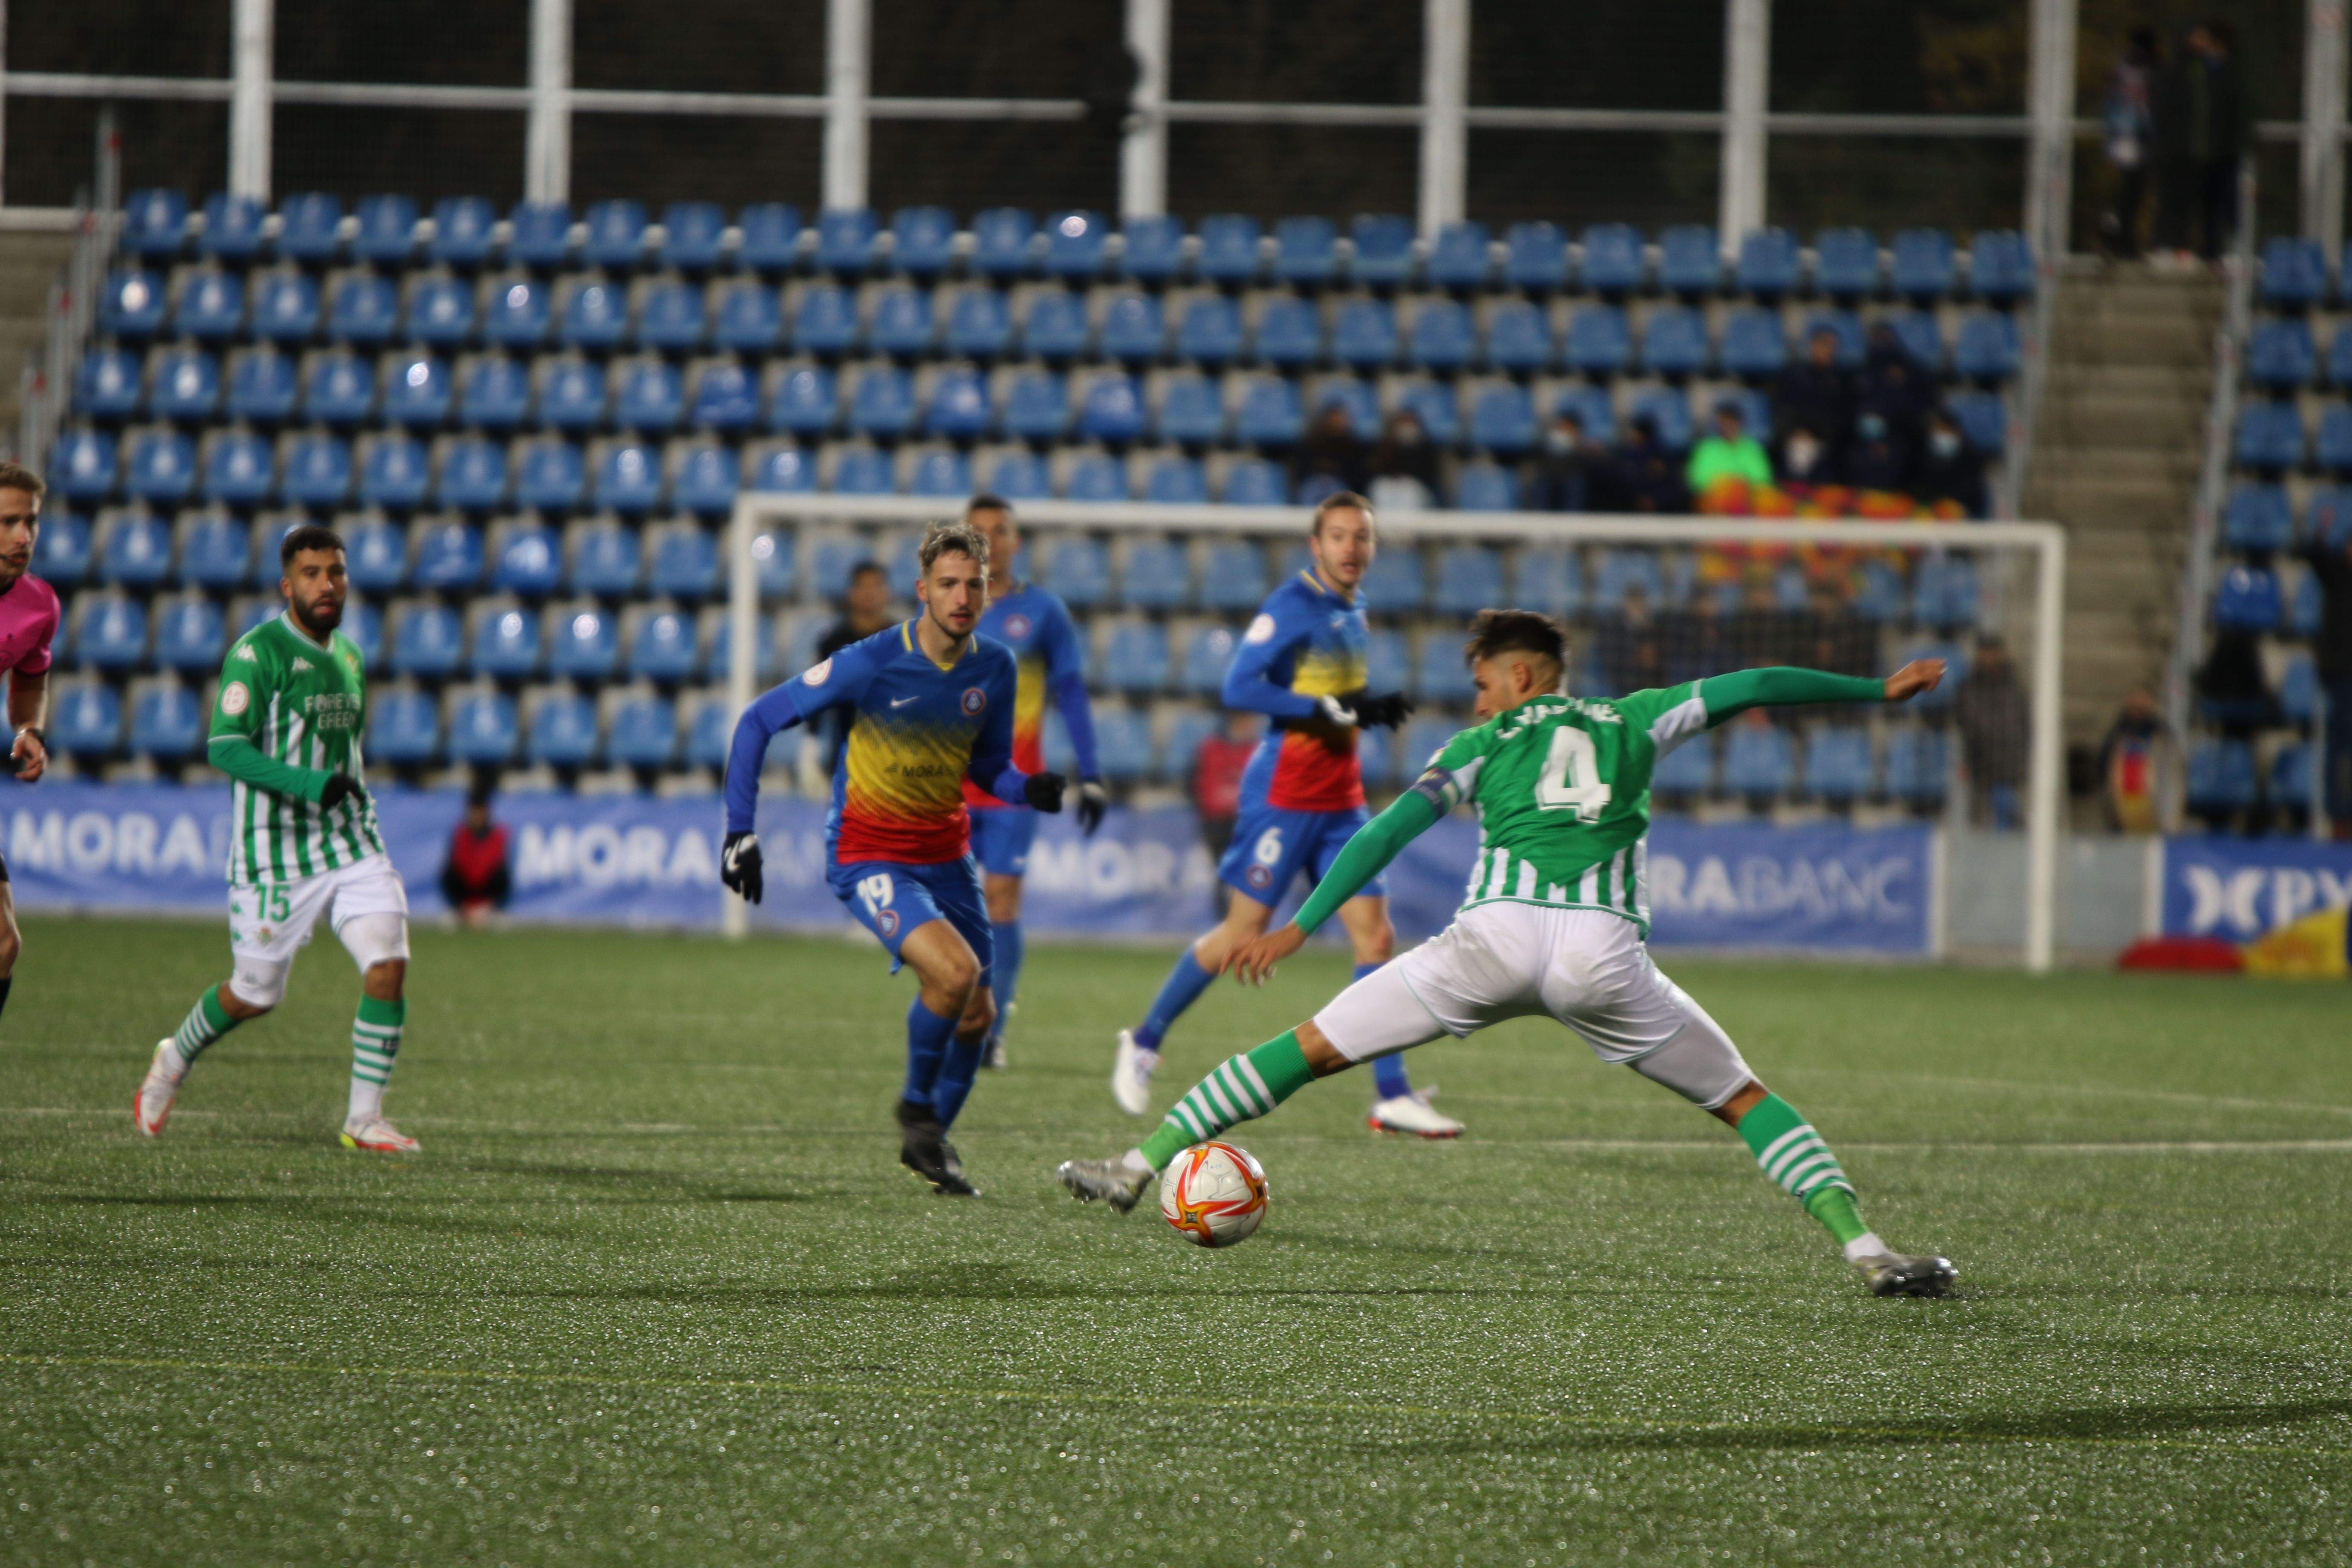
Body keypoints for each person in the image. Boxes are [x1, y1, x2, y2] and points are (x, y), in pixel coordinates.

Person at [1059, 611, 1958, 1299]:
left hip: (1489, 943)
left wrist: (1302, 924)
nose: (1479, 699)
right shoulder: (1638, 717)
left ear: (1522, 677)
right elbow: (1757, 681)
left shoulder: (1482, 743)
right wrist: (1876, 691)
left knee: (1308, 1050)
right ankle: (1869, 1252)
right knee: (1743, 1098)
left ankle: (1135, 1169)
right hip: (1600, 955)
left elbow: (1387, 831)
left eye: (1486, 682)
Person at [719, 520, 1066, 1195]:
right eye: (948, 584)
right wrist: (740, 831)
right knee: (955, 973)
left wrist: (1028, 788)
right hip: (868, 852)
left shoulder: (995, 667)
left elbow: (989, 765)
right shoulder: (872, 660)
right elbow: (758, 720)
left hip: (946, 853)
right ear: (922, 591)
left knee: (978, 1013)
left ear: (988, 590)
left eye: (974, 584)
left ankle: (931, 1144)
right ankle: (915, 1108)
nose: (962, 596)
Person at [1110, 493, 1456, 1136]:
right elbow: (1239, 688)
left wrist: (1357, 709)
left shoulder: (1356, 608)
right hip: (1283, 798)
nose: (1352, 548)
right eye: (1339, 536)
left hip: (1341, 799)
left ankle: (1391, 1094)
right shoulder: (1291, 606)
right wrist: (1328, 710)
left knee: (1375, 936)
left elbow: (1329, 696)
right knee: (1242, 936)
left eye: (1362, 538)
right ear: (1315, 545)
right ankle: (1145, 1038)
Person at [135, 524, 418, 1152]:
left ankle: (363, 1119)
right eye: (313, 574)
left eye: (336, 572)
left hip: (350, 843)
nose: (327, 584)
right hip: (273, 854)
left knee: (388, 963)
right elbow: (225, 747)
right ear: (287, 585)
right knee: (253, 995)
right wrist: (308, 783)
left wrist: (345, 795)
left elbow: (346, 751)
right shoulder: (256, 653)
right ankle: (173, 1059)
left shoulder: (348, 655)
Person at [963, 495, 1106, 1070]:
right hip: (943, 780)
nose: (990, 541)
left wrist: (1091, 775)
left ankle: (991, 1023)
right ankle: (956, 1008)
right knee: (945, 905)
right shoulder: (946, 605)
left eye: (1000, 531)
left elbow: (1070, 693)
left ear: (1016, 542)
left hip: (1011, 784)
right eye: (978, 532)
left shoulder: (1043, 612)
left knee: (1001, 900)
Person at [0, 462, 56, 1025]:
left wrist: (28, 728)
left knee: (4, 945)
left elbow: (31, 676)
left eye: (31, 522)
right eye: (8, 522)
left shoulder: (39, 604)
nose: (24, 536)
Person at [2155, 20, 2250, 263]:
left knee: (2213, 203)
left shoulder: (2216, 73)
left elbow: (2228, 110)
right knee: (2178, 201)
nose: (2204, 44)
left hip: (2209, 151)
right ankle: (2172, 248)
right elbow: (2169, 109)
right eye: (2200, 38)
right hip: (2184, 150)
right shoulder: (2182, 71)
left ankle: (2212, 251)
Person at [810, 560, 896, 781]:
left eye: (876, 586)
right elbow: (816, 697)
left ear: (887, 593)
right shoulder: (833, 643)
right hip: (845, 759)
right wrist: (810, 746)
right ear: (851, 593)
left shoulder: (903, 642)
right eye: (862, 586)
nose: (869, 594)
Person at [2303, 511, 2352, 834]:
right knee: (2342, 746)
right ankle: (2341, 816)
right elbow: (2312, 553)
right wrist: (2321, 529)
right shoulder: (2336, 573)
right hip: (2341, 674)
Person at [1954, 635, 2029, 828]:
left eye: (1994, 652)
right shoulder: (1968, 689)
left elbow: (2024, 725)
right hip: (1979, 770)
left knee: (2006, 820)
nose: (1990, 657)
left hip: (2009, 768)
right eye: (1986, 653)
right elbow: (1962, 726)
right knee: (1980, 823)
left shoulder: (2015, 688)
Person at [2101, 27, 2163, 259]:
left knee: (2126, 192)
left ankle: (2116, 234)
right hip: (2138, 140)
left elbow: (2111, 106)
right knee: (2133, 194)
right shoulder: (2148, 70)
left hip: (2121, 139)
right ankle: (2122, 239)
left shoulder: (2121, 70)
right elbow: (2148, 110)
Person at [1191, 710, 1260, 918]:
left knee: (1247, 873)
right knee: (1225, 873)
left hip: (1245, 822)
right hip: (1217, 822)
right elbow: (1195, 783)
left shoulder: (1257, 750)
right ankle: (1225, 921)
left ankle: (1245, 920)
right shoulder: (1210, 749)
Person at [2100, 688, 2174, 834]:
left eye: (2143, 704)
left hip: (2154, 803)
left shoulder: (2160, 731)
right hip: (2125, 802)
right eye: (2135, 705)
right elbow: (2104, 763)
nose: (2139, 709)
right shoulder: (2119, 732)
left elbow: (2172, 760)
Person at [1773, 327, 1856, 456]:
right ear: (1813, 345)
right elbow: (1783, 407)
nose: (1828, 350)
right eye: (1824, 344)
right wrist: (1795, 430)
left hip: (1836, 438)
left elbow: (1847, 412)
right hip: (1803, 436)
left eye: (1832, 345)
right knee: (1801, 449)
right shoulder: (1795, 375)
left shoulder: (1844, 379)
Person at [439, 784, 511, 926]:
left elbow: (494, 867)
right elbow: (459, 865)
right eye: (474, 811)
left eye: (480, 811)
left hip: (487, 896)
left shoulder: (498, 835)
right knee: (449, 872)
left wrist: (486, 906)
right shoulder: (461, 834)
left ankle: (491, 911)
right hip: (465, 897)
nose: (477, 816)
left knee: (502, 874)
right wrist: (466, 908)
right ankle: (459, 912)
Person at [1685, 400, 1773, 500]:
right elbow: (1698, 480)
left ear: (1740, 423)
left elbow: (1763, 479)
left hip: (1749, 498)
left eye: (1731, 422)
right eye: (1724, 422)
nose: (1728, 426)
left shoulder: (1753, 448)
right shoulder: (1706, 448)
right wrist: (1727, 485)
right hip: (1716, 498)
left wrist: (1739, 486)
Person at [1914, 408, 1988, 518]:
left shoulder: (1971, 460)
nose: (1942, 436)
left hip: (1962, 518)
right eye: (1938, 431)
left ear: (1956, 432)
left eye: (1946, 430)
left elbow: (1974, 498)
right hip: (1927, 516)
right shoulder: (1920, 457)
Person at [1528, 408, 1606, 512]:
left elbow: (1589, 465)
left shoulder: (1582, 447)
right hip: (1548, 478)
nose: (1563, 430)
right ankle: (1541, 517)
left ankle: (1572, 519)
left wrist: (1579, 446)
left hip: (1571, 480)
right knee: (1541, 484)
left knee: (1575, 485)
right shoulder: (1545, 444)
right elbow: (1535, 457)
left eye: (1567, 427)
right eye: (1561, 426)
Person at [1366, 409, 1442, 514]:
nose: (1407, 428)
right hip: (1389, 485)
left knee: (1410, 492)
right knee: (1380, 488)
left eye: (1410, 422)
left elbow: (1431, 480)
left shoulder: (1427, 450)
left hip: (1416, 489)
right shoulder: (1386, 447)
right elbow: (1377, 469)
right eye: (1404, 423)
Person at [1291, 399, 1369, 501]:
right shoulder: (1311, 443)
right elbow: (1301, 468)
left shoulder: (1354, 446)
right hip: (1314, 482)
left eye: (1340, 418)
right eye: (1334, 418)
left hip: (1342, 485)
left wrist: (1337, 470)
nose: (1337, 422)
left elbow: (1358, 474)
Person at [1611, 416, 1689, 514]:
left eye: (1635, 432)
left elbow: (1674, 485)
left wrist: (1656, 500)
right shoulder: (1627, 455)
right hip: (1632, 506)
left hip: (1663, 509)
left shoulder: (1664, 455)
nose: (1632, 436)